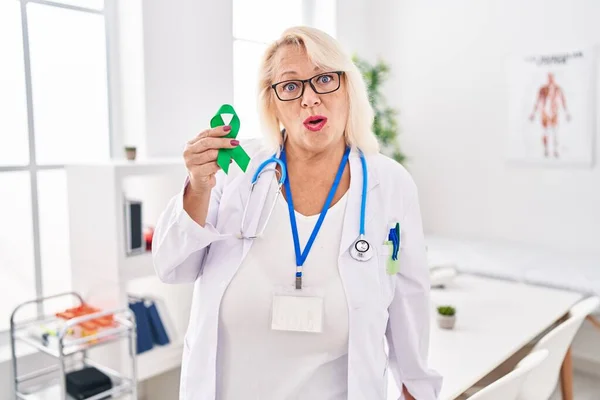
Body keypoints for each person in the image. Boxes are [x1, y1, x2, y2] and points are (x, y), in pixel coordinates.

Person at [152, 26, 442, 400]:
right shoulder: (237, 173)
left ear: (348, 88)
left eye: (324, 79)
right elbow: (171, 266)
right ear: (273, 104)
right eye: (290, 87)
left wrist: (416, 386)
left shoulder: (390, 184)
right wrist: (199, 184)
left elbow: (409, 299)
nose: (310, 99)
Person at [529, 72, 571, 158]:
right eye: (549, 77)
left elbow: (563, 101)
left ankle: (555, 150)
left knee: (555, 132)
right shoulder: (542, 89)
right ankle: (546, 150)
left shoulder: (558, 88)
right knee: (545, 132)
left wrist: (566, 112)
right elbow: (537, 101)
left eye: (552, 77)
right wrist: (533, 113)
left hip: (554, 112)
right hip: (545, 112)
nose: (550, 79)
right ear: (547, 78)